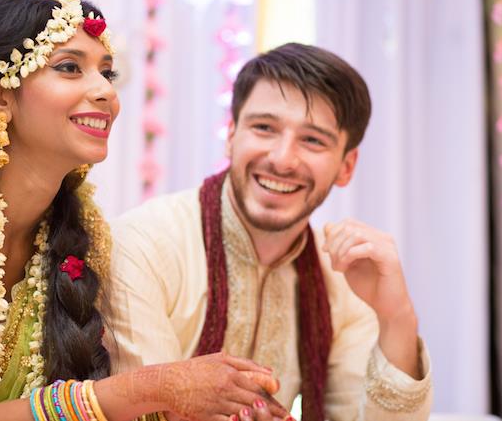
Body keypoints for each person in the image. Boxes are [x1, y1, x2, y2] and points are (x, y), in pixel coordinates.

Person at [0, 0, 287, 421]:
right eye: (69, 68)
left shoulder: (82, 232)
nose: (104, 92)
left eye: (107, 73)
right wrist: (155, 388)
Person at [107, 43, 433, 421]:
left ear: (347, 166)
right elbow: (141, 410)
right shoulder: (144, 245)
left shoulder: (347, 277)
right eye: (264, 128)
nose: (282, 159)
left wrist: (397, 315)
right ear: (231, 135)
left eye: (313, 140)